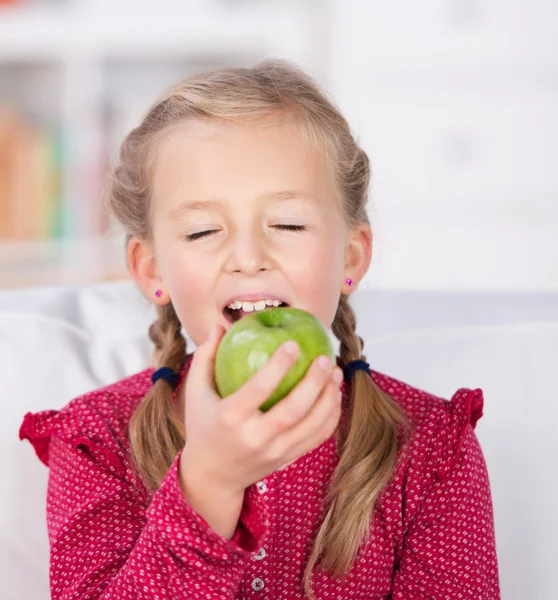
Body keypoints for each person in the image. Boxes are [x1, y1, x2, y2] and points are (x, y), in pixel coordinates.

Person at [19, 59, 501, 600]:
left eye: (288, 224)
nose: (248, 258)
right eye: (203, 231)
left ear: (352, 255)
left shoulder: (432, 450)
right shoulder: (99, 441)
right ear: (152, 270)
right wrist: (208, 483)